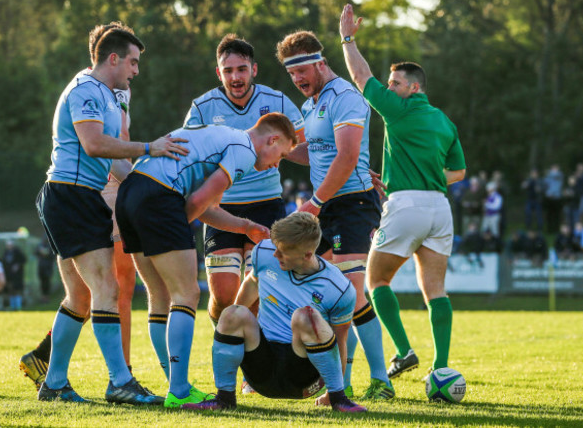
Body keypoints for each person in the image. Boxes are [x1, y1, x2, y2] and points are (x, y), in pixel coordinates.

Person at [34, 22, 188, 405]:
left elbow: (115, 161)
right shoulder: (87, 89)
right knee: (107, 288)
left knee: (79, 298)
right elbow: (94, 144)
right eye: (133, 62)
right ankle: (120, 381)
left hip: (69, 196)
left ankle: (53, 384)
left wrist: (147, 185)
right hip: (71, 196)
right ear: (114, 58)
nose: (136, 70)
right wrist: (150, 149)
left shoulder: (104, 92)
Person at [115, 112, 297, 408]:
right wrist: (172, 233)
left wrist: (245, 226)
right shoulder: (243, 148)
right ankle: (180, 390)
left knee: (160, 295)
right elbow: (197, 204)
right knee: (187, 293)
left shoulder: (223, 137)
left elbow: (205, 205)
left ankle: (175, 385)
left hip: (132, 191)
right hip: (159, 196)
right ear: (272, 139)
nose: (278, 163)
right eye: (282, 154)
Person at [340, 4, 467, 381]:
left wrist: (347, 39)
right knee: (436, 291)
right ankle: (441, 366)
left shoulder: (399, 110)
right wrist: (421, 176)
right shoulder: (444, 120)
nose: (389, 87)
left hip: (406, 204)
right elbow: (458, 172)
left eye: (395, 83)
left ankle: (403, 351)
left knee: (374, 281)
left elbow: (361, 76)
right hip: (439, 209)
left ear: (413, 87)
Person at [276, 29, 393, 399]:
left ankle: (380, 381)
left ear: (321, 63)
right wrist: (271, 146)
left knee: (352, 294)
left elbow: (345, 157)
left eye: (301, 71)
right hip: (329, 207)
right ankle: (339, 382)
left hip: (352, 204)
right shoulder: (313, 105)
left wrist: (314, 203)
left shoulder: (344, 96)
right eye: (291, 75)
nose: (297, 80)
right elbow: (315, 153)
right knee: (331, 294)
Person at [181, 212, 365, 412]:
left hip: (303, 379)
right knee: (232, 312)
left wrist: (333, 394)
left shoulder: (339, 288)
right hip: (261, 371)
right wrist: (230, 328)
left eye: (283, 251)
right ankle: (224, 399)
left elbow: (340, 341)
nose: (275, 254)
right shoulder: (265, 251)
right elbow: (252, 282)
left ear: (307, 255)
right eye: (276, 247)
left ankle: (339, 400)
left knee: (305, 316)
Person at [183, 34, 304, 330]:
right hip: (220, 207)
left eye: (241, 69)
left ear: (254, 69)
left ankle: (252, 372)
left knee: (258, 293)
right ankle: (223, 335)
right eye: (228, 70)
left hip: (266, 205)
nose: (235, 77)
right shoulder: (202, 107)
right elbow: (187, 152)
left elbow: (303, 147)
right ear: (218, 73)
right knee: (224, 295)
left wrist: (347, 166)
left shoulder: (276, 101)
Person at [2, 240, 27, 311]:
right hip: (9, 275)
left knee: (17, 289)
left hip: (17, 276)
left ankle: (18, 306)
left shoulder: (17, 251)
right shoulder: (6, 252)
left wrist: (18, 265)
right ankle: (12, 306)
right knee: (10, 289)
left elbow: (24, 260)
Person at [34, 237, 55, 303]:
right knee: (42, 283)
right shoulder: (40, 246)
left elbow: (53, 255)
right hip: (41, 267)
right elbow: (35, 252)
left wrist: (47, 253)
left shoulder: (51, 246)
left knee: (47, 283)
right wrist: (40, 251)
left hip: (48, 267)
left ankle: (47, 297)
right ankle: (43, 297)